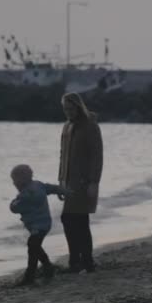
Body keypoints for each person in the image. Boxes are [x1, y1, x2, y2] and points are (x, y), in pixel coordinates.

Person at [58, 92, 103, 273]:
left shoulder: (90, 126)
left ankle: (84, 261)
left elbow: (97, 156)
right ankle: (78, 261)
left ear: (78, 106)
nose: (68, 112)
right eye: (65, 109)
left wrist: (94, 182)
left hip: (84, 181)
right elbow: (63, 156)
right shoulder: (66, 127)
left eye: (71, 108)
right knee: (71, 219)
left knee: (78, 220)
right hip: (69, 182)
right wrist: (60, 182)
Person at [9, 164, 70, 286]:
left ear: (21, 180)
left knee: (33, 246)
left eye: (14, 181)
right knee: (35, 246)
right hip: (44, 223)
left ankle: (30, 275)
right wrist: (64, 190)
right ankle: (47, 267)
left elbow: (14, 208)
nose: (14, 184)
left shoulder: (26, 194)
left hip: (38, 226)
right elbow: (50, 188)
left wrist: (13, 202)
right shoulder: (38, 185)